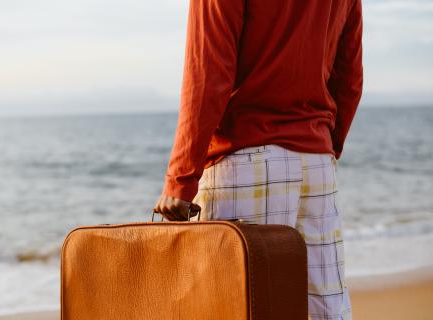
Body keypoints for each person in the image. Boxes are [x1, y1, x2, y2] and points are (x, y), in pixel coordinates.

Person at [153, 0, 363, 319]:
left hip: (245, 161)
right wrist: (322, 146)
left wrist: (180, 180)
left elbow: (208, 75)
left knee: (239, 307)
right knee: (327, 311)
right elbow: (349, 75)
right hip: (316, 163)